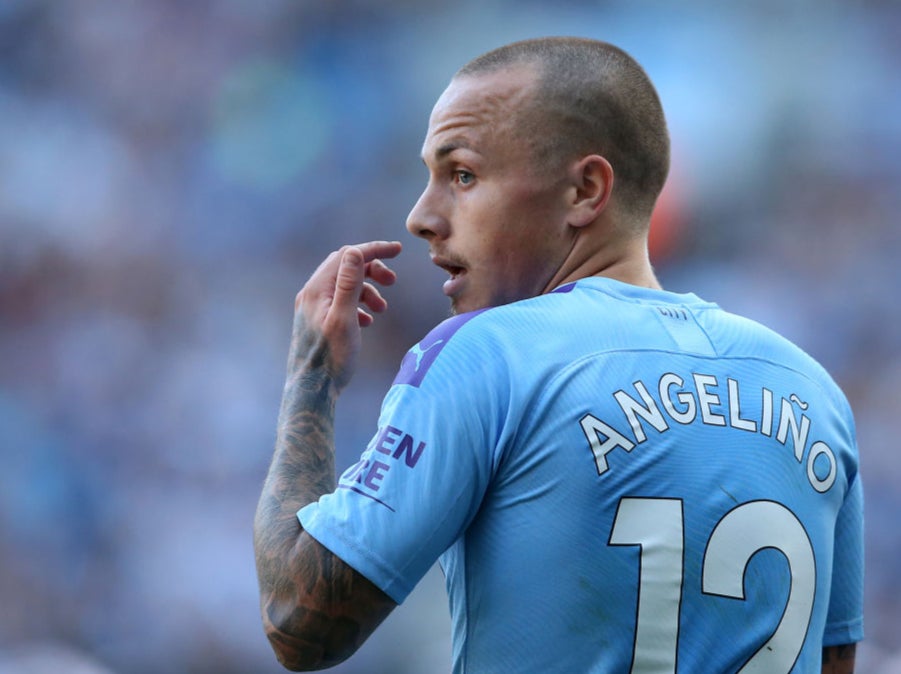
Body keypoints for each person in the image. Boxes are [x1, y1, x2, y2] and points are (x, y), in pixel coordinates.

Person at [253, 37, 864, 673]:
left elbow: (299, 621)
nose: (420, 217)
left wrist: (311, 380)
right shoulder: (814, 391)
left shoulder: (488, 354)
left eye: (462, 174)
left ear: (585, 190)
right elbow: (836, 661)